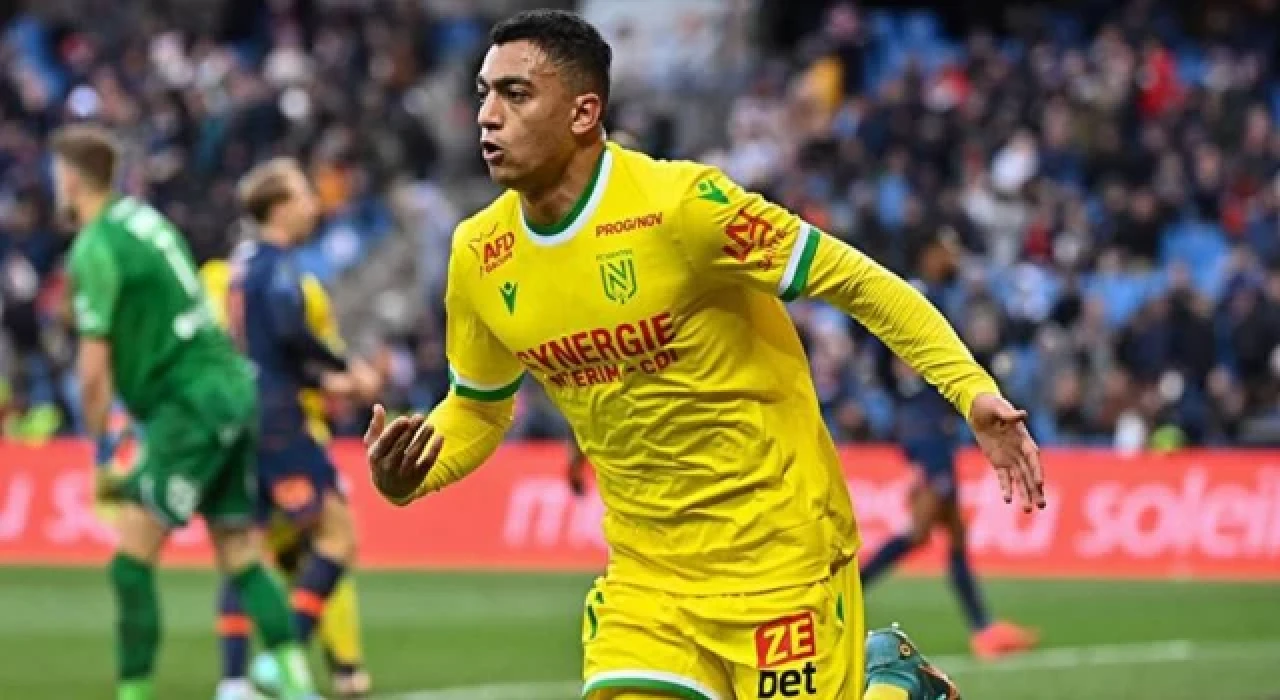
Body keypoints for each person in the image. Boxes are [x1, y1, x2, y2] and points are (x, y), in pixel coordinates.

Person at [363, 10, 1044, 700]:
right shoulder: (479, 254)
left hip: (778, 553)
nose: (487, 115)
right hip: (647, 577)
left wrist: (969, 390)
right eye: (484, 93)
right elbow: (478, 408)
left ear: (583, 112)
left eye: (516, 94)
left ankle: (896, 686)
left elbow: (858, 282)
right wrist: (413, 473)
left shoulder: (682, 207)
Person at [55, 124, 318, 700]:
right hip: (231, 389)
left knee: (130, 562)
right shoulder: (144, 221)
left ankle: (134, 693)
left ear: (70, 180)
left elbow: (93, 370)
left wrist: (101, 451)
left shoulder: (96, 244)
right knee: (239, 552)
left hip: (192, 403)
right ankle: (298, 685)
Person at [211, 158, 381, 699]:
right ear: (280, 207)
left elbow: (267, 345)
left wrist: (328, 378)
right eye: (304, 195)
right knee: (338, 536)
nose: (313, 204)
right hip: (279, 422)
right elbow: (291, 333)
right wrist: (344, 368)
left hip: (243, 414)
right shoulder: (279, 266)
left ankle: (234, 680)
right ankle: (284, 654)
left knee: (243, 549)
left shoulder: (241, 264)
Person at [859, 233, 1038, 660]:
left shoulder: (935, 293)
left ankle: (984, 628)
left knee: (953, 532)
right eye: (946, 249)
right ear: (929, 254)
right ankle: (843, 592)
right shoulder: (916, 295)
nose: (953, 256)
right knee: (920, 531)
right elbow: (881, 353)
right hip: (924, 430)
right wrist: (906, 398)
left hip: (932, 427)